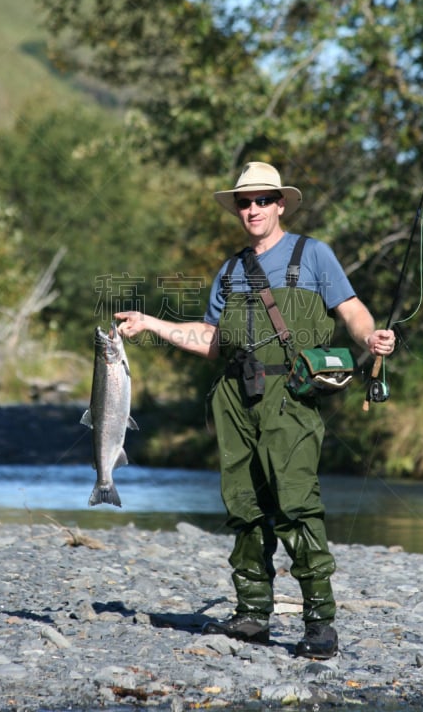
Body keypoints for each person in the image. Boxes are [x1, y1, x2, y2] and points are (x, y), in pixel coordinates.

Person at [116, 161, 395, 659]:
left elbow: (351, 311)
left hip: (290, 395)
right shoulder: (230, 269)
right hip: (233, 397)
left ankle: (319, 621)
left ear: (280, 204)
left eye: (263, 199)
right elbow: (211, 340)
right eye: (244, 202)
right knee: (243, 505)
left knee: (295, 502)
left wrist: (371, 338)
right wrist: (151, 322)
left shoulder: (314, 255)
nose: (252, 209)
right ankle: (251, 615)